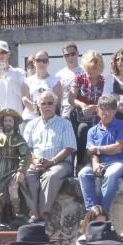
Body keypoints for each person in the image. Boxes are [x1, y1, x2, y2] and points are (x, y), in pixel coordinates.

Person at [21, 90, 76, 222]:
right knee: (26, 174)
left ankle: (44, 214)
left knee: (50, 176)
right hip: (36, 162)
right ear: (38, 106)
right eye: (43, 103)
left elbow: (69, 148)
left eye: (50, 103)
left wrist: (52, 161)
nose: (47, 106)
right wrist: (34, 161)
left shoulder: (65, 123)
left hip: (60, 163)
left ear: (55, 104)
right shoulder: (31, 125)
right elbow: (26, 148)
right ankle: (34, 214)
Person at [78, 95, 123, 212]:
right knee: (83, 174)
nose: (106, 113)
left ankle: (103, 211)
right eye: (103, 109)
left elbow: (118, 148)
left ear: (115, 111)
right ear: (97, 110)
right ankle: (92, 212)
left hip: (119, 162)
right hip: (100, 163)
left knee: (111, 175)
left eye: (110, 109)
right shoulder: (92, 131)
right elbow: (91, 152)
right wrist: (96, 164)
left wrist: (97, 149)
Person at [0, 108, 29, 226]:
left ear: (14, 123)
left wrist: (21, 171)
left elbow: (26, 156)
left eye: (10, 121)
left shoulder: (19, 139)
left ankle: (17, 213)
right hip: (1, 169)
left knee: (13, 189)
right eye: (6, 121)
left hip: (13, 168)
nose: (8, 123)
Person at [68, 51, 108, 165]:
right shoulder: (79, 79)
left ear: (99, 68)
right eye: (88, 69)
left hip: (99, 118)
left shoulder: (104, 81)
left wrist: (95, 107)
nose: (90, 72)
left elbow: (108, 102)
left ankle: (98, 163)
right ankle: (80, 163)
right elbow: (71, 99)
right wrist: (83, 105)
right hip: (81, 117)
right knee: (82, 130)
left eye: (94, 69)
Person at [0, 41, 27, 114]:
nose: (0, 55)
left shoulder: (20, 73)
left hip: (15, 119)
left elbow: (23, 95)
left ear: (8, 54)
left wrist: (5, 74)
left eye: (3, 52)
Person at [21, 49, 62, 123]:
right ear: (34, 62)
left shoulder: (55, 81)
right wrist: (38, 110)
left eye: (44, 61)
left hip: (49, 119)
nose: (41, 63)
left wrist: (44, 112)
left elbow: (56, 102)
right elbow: (25, 99)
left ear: (48, 63)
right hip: (29, 118)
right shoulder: (27, 81)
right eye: (38, 60)